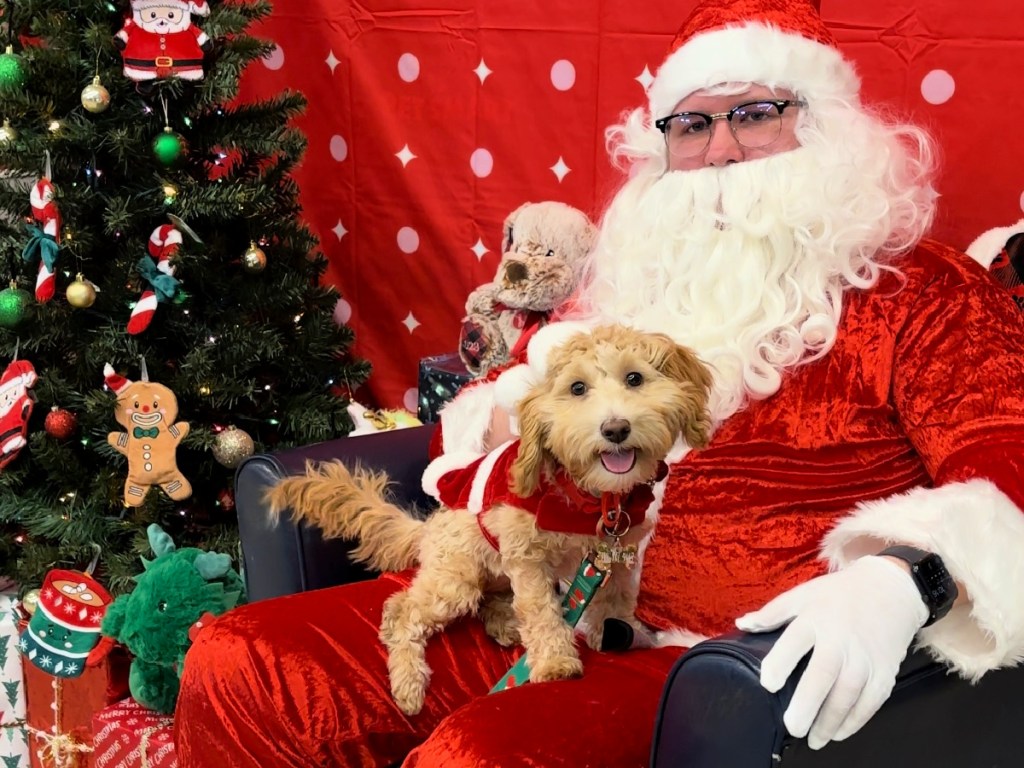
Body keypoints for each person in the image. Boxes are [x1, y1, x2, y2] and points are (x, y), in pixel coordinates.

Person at [176, 0, 1024, 765]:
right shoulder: (629, 279)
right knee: (241, 661)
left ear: (829, 129)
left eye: (756, 114)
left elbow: (1007, 459)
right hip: (539, 587)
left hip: (713, 663)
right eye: (690, 126)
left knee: (479, 758)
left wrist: (905, 580)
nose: (719, 151)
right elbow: (502, 409)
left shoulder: (926, 293)